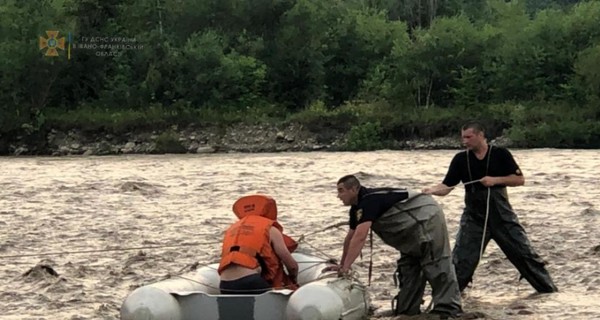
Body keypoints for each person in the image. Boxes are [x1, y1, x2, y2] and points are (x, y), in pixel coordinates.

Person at [422, 122, 558, 293]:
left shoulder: (500, 154)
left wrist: (495, 180)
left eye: (468, 137)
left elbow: (519, 180)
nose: (465, 141)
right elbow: (447, 186)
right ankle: (449, 300)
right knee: (462, 261)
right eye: (463, 137)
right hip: (474, 219)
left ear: (480, 135)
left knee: (525, 255)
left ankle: (549, 292)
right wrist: (431, 190)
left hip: (502, 217)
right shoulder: (460, 159)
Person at [334, 174, 462, 318]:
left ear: (354, 189)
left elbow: (360, 237)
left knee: (436, 264)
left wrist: (346, 268)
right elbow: (350, 237)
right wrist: (342, 265)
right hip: (410, 231)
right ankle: (407, 310)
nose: (338, 196)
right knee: (408, 268)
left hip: (427, 219)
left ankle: (449, 309)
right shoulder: (356, 209)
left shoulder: (369, 201)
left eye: (341, 190)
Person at [218, 194, 299, 294]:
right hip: (251, 282)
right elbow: (292, 266)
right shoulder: (270, 229)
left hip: (225, 284)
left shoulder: (231, 229)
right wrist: (293, 279)